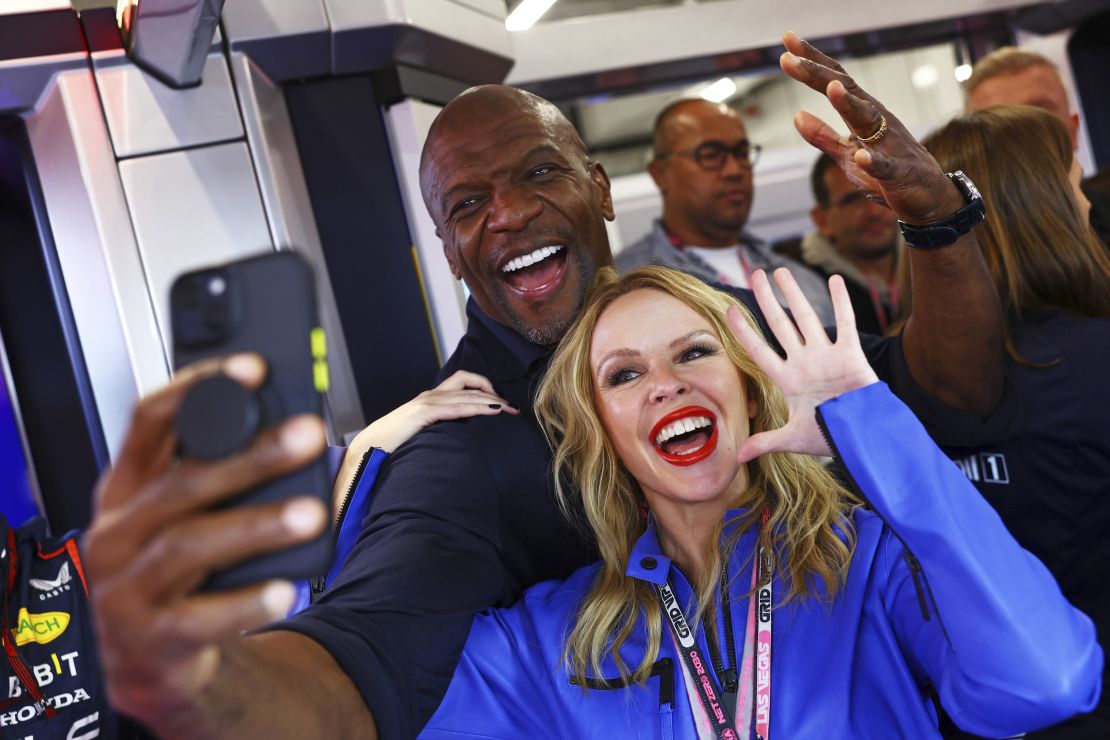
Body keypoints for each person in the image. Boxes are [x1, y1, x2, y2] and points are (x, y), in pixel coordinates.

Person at [84, 33, 1008, 739]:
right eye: (469, 204)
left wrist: (938, 223)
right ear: (446, 249)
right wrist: (191, 674)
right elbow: (358, 661)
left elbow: (955, 392)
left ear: (600, 188)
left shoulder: (728, 327)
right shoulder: (462, 449)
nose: (512, 213)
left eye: (536, 174)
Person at [420, 264, 1101, 738]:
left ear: (748, 392)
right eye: (625, 374)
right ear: (601, 430)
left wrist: (873, 428)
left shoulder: (868, 562)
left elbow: (1047, 681)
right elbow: (362, 695)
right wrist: (373, 468)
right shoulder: (555, 638)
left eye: (692, 354)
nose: (664, 385)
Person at [919, 104, 1110, 739]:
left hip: (972, 714)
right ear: (1042, 214)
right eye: (1074, 189)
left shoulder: (894, 383)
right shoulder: (1094, 358)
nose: (1088, 209)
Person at [615, 98, 836, 325]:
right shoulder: (626, 285)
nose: (734, 170)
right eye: (710, 155)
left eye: (741, 153)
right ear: (660, 173)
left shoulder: (801, 282)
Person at [965, 46, 1110, 248]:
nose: (1024, 135)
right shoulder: (963, 251)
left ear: (1073, 130)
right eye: (1000, 121)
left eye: (1040, 115)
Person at [804, 153, 903, 334]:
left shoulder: (931, 258)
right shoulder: (809, 289)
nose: (873, 212)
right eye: (852, 200)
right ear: (822, 220)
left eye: (880, 193)